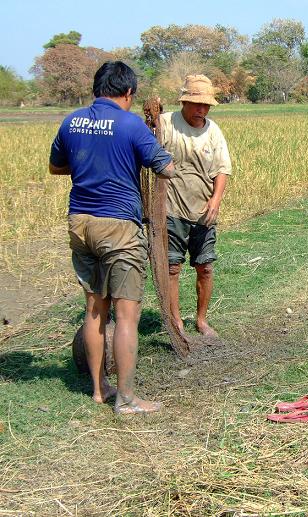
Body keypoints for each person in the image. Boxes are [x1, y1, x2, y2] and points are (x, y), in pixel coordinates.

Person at [49, 61, 175, 415]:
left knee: (94, 309)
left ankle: (98, 390)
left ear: (96, 88)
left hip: (81, 223)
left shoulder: (71, 121)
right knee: (127, 312)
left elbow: (56, 166)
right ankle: (127, 398)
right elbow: (164, 168)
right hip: (118, 225)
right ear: (129, 92)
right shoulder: (131, 124)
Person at [159, 74, 231, 337]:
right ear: (184, 102)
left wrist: (216, 199)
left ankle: (201, 320)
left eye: (206, 105)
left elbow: (222, 169)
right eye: (197, 104)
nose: (202, 110)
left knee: (205, 266)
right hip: (170, 209)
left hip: (202, 211)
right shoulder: (165, 124)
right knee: (172, 267)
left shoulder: (213, 131)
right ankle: (176, 320)